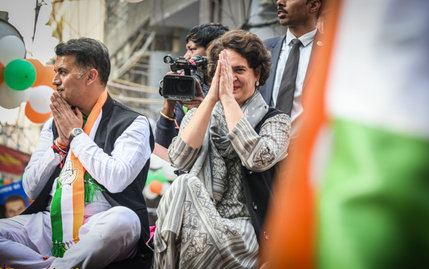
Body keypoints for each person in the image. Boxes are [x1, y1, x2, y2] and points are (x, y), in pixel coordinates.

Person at [0, 38, 154, 268]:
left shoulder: (133, 123)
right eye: (55, 72)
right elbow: (31, 187)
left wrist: (76, 134)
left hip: (102, 225)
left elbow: (116, 179)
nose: (54, 80)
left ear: (90, 77)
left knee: (124, 219)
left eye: (63, 72)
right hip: (51, 224)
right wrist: (60, 144)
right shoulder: (53, 124)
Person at [153, 30, 291, 268]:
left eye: (238, 70)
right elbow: (179, 160)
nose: (231, 78)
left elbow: (257, 158)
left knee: (186, 225)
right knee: (185, 184)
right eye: (223, 72)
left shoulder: (276, 121)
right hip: (195, 227)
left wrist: (227, 100)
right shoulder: (199, 115)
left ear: (257, 73)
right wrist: (211, 99)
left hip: (244, 231)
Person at [155, 23, 229, 149]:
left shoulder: (232, 89)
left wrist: (204, 109)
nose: (186, 56)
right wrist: (168, 107)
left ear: (214, 51)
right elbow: (163, 146)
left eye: (192, 49)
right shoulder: (186, 87)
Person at [259, 0, 323, 129]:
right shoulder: (263, 49)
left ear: (313, 5)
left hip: (308, 145)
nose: (279, 2)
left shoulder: (331, 51)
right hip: (265, 143)